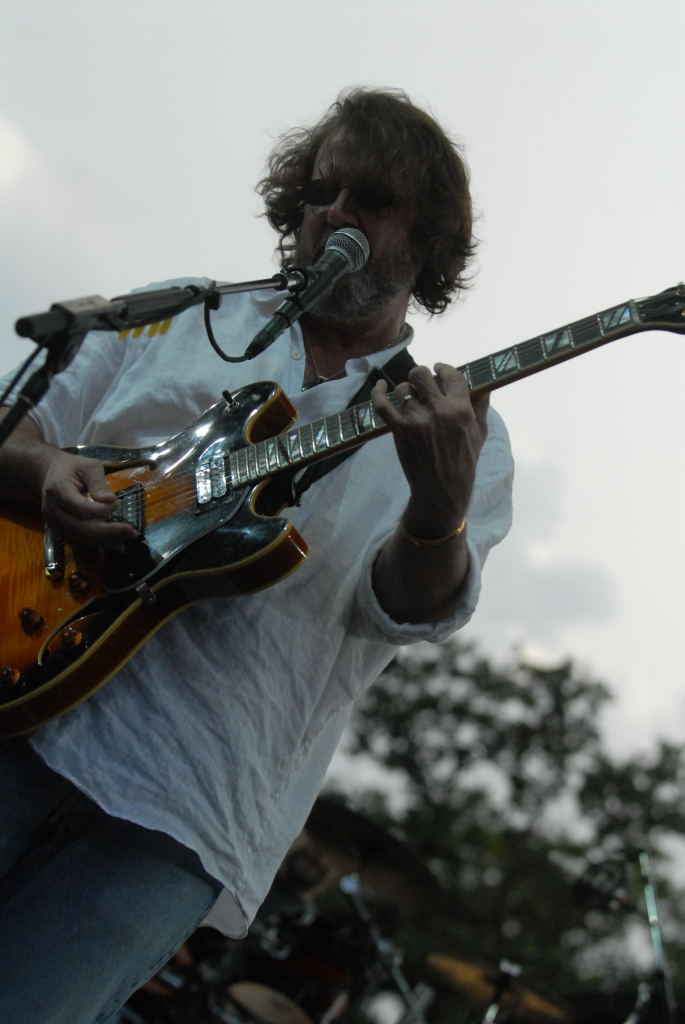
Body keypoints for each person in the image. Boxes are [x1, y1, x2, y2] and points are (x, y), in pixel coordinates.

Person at [0, 87, 514, 1023]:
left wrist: (437, 509)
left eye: (372, 200)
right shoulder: (182, 314)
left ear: (428, 240)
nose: (335, 214)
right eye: (321, 192)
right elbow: (13, 429)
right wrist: (46, 473)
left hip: (182, 805)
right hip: (17, 693)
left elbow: (402, 609)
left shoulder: (458, 423)